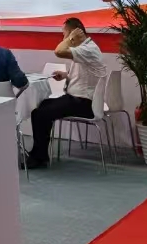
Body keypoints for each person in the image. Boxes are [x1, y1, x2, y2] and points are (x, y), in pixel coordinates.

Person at [25, 18, 107, 169]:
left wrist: (70, 39)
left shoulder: (86, 49)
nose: (63, 37)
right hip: (80, 99)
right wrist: (66, 75)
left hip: (83, 103)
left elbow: (58, 51)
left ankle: (39, 157)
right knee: (43, 106)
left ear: (73, 33)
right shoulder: (86, 48)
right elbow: (85, 74)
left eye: (64, 33)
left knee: (39, 113)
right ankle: (40, 153)